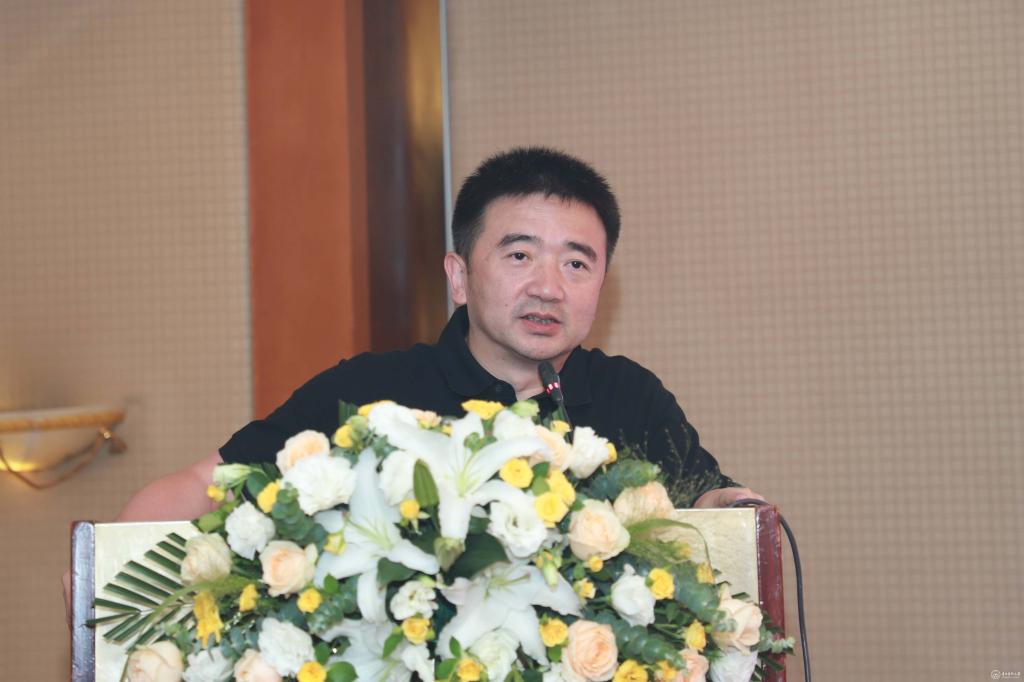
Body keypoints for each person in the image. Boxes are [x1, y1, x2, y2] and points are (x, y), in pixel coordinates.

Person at [64, 147, 762, 615]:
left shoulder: (628, 396)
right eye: (520, 255)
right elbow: (208, 483)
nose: (549, 287)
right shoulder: (373, 392)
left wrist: (739, 507)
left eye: (577, 264)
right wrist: (107, 574)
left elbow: (705, 502)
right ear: (459, 276)